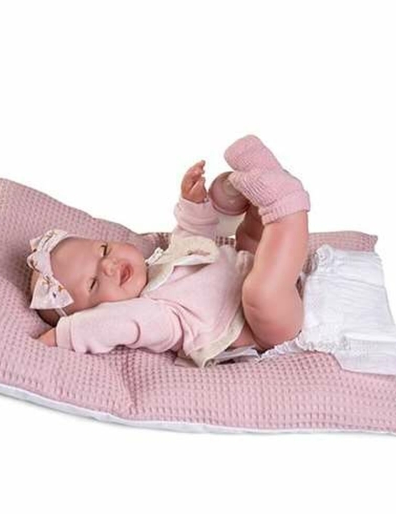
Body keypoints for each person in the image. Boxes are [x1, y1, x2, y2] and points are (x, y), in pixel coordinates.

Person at [27, 134, 310, 368]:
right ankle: (286, 207)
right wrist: (67, 334)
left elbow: (191, 243)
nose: (109, 266)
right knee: (259, 293)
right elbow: (114, 325)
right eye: (93, 283)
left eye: (104, 250)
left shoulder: (159, 265)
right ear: (98, 312)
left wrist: (193, 205)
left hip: (252, 264)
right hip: (267, 326)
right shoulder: (152, 315)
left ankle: (262, 174)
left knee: (250, 235)